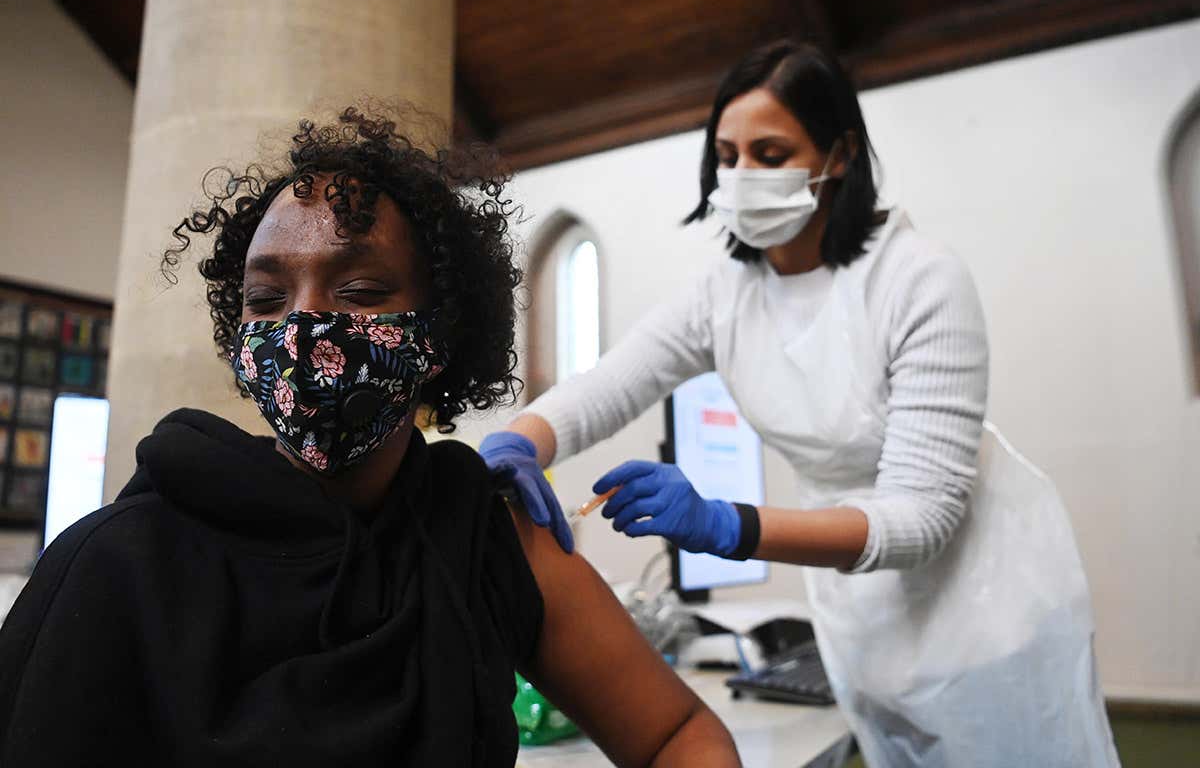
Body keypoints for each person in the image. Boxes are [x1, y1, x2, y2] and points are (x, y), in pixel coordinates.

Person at [0, 106, 740, 768]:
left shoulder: (486, 538)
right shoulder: (120, 563)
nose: (302, 327)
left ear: (439, 336)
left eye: (357, 292)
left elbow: (679, 735)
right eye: (266, 299)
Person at [482, 42, 1120, 767]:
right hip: (858, 610)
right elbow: (611, 383)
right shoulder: (725, 292)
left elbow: (924, 518)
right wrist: (517, 444)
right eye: (727, 155)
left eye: (771, 153)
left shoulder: (920, 280)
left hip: (982, 605)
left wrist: (727, 525)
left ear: (839, 156)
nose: (741, 176)